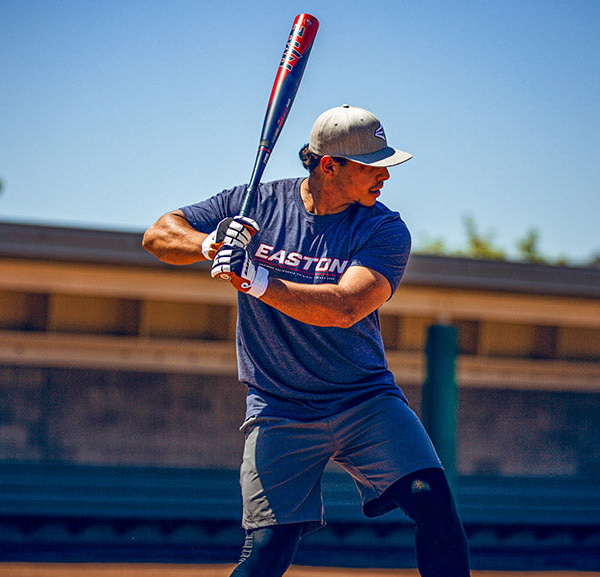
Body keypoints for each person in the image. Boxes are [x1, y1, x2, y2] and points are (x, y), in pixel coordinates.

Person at [142, 104, 470, 577]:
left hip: (365, 400)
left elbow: (345, 306)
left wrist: (255, 278)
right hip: (280, 407)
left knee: (433, 506)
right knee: (268, 549)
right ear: (329, 165)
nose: (384, 176)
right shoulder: (258, 202)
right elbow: (158, 234)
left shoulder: (384, 228)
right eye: (372, 166)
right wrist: (209, 243)